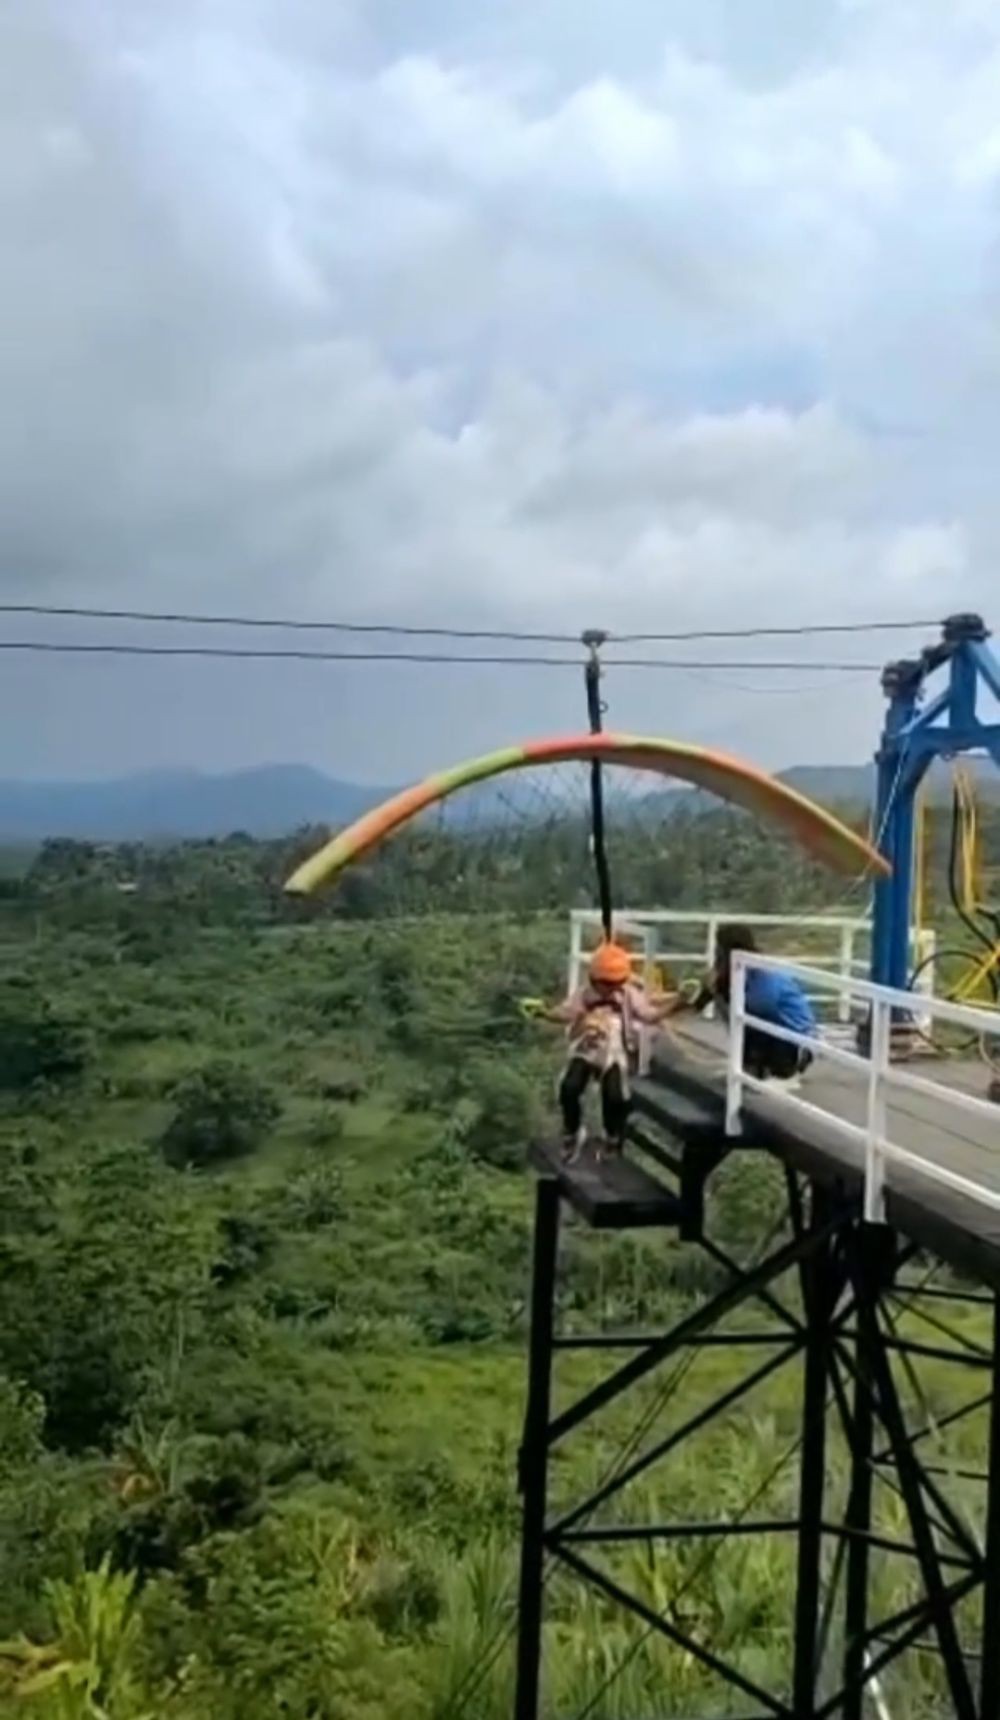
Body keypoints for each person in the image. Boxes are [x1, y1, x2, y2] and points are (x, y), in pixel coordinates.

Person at [539, 940, 673, 1160]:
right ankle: (571, 1131)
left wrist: (677, 1004)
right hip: (588, 1046)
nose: (611, 990)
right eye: (607, 985)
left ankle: (612, 1137)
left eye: (615, 985)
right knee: (569, 1088)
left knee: (613, 1096)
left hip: (615, 1050)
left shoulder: (628, 994)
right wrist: (544, 1013)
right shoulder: (584, 994)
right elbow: (566, 1013)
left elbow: (649, 1015)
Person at [676, 923, 815, 1088]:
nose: (716, 952)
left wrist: (724, 991)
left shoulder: (763, 972)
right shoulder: (728, 973)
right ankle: (753, 1067)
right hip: (763, 1028)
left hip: (793, 1035)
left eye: (719, 947)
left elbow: (762, 1006)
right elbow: (699, 1000)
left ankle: (785, 1073)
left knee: (757, 1022)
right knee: (744, 1024)